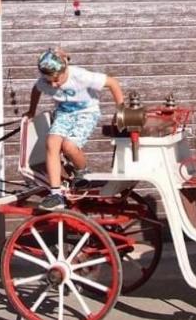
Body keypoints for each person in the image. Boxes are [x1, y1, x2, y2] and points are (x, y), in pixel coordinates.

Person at [26, 48, 124, 211]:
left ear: (65, 69)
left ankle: (83, 171)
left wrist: (121, 110)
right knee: (51, 144)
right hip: (64, 114)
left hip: (86, 112)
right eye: (49, 81)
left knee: (69, 147)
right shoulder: (45, 81)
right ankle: (56, 194)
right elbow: (36, 90)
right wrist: (31, 110)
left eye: (57, 80)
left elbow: (112, 83)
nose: (54, 85)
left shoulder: (81, 76)